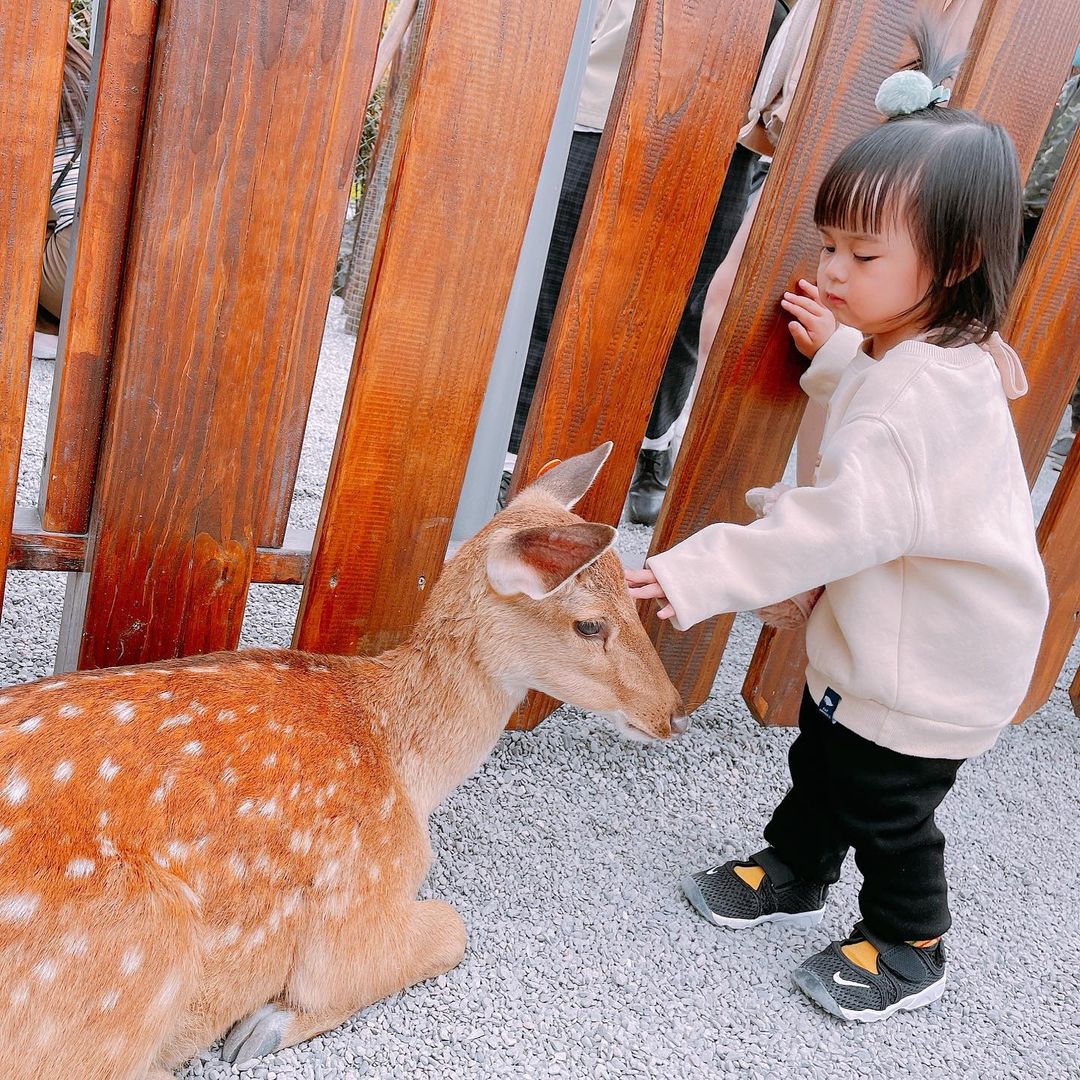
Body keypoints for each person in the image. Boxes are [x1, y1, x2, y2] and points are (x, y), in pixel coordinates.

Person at [627, 22, 1049, 1023]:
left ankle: (910, 941)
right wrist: (840, 357)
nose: (832, 270)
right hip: (882, 650)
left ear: (956, 260)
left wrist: (694, 574)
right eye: (828, 245)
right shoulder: (930, 356)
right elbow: (881, 425)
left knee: (888, 810)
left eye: (863, 253)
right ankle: (800, 864)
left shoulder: (921, 394)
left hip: (923, 672)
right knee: (820, 758)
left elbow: (841, 517)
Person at [502, 0, 789, 523]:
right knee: (556, 289)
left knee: (689, 307)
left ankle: (654, 444)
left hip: (724, 128)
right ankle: (518, 455)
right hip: (600, 102)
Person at [34, 36, 92, 360]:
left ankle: (43, 326)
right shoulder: (90, 64)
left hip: (67, 275)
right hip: (119, 249)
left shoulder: (21, 75)